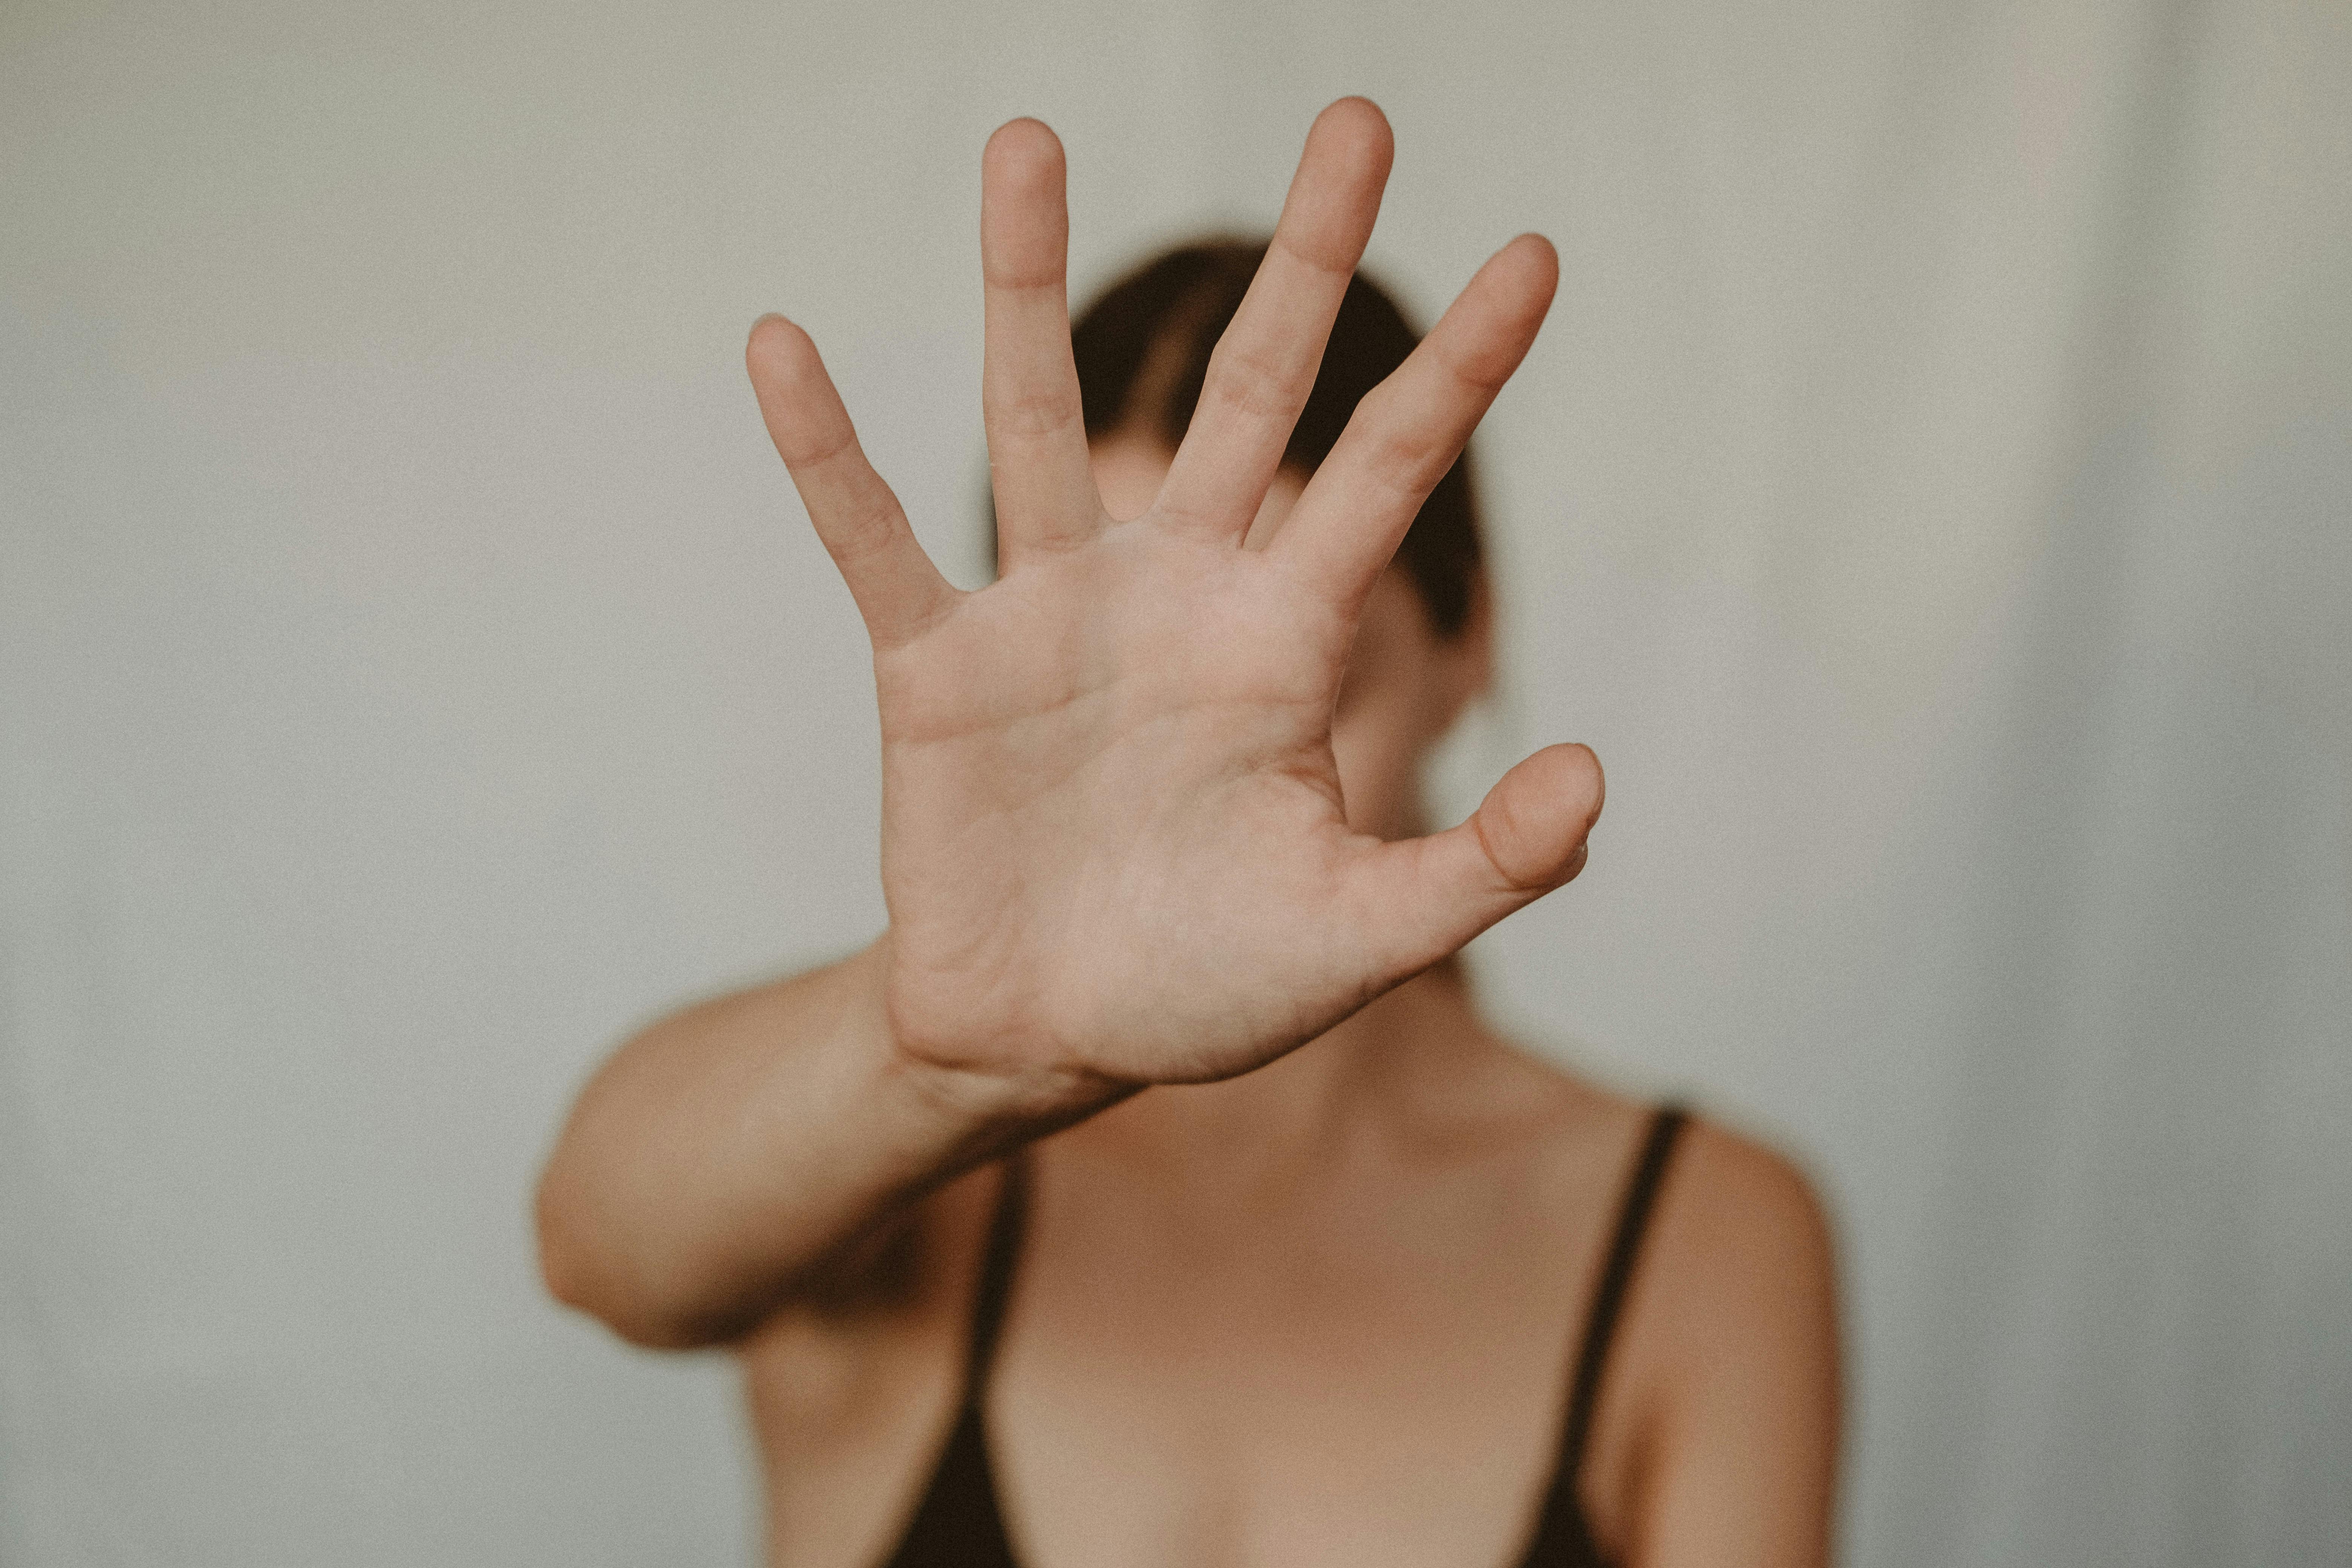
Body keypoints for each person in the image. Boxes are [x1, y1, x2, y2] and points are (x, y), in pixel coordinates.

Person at [535, 98, 1840, 1568]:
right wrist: (936, 1053)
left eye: (1304, 687)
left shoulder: (1700, 1233)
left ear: (1468, 635)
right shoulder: (906, 1174)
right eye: (1124, 710)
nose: (1191, 795)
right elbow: (595, 1243)